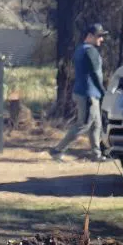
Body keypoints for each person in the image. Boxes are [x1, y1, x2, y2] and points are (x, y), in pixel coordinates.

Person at [50, 23, 112, 162]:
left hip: (83, 92)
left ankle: (96, 155)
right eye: (99, 36)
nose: (101, 39)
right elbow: (95, 75)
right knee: (83, 124)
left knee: (96, 124)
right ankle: (57, 150)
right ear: (89, 36)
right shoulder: (91, 51)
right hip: (89, 94)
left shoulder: (80, 49)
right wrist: (103, 91)